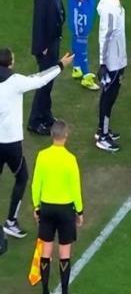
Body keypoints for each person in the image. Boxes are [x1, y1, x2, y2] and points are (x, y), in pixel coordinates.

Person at [0, 48, 73, 239]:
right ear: (10, 62)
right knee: (22, 177)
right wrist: (60, 65)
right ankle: (11, 221)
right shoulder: (15, 81)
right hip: (11, 144)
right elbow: (40, 79)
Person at [31, 120, 83, 294]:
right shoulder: (70, 159)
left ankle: (45, 290)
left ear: (52, 135)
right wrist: (80, 211)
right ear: (66, 135)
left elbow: (36, 184)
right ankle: (65, 291)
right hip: (66, 209)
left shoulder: (42, 156)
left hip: (47, 207)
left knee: (46, 250)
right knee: (64, 252)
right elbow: (75, 188)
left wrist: (36, 206)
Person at [28, 0, 67, 136]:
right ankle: (35, 121)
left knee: (49, 81)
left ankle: (46, 114)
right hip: (46, 47)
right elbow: (39, 21)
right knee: (44, 83)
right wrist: (42, 47)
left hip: (53, 42)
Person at [94, 0, 128, 152]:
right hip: (112, 62)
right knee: (108, 97)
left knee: (111, 96)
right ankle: (103, 136)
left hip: (118, 58)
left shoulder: (111, 1)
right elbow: (105, 37)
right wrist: (103, 63)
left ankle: (103, 129)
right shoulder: (110, 9)